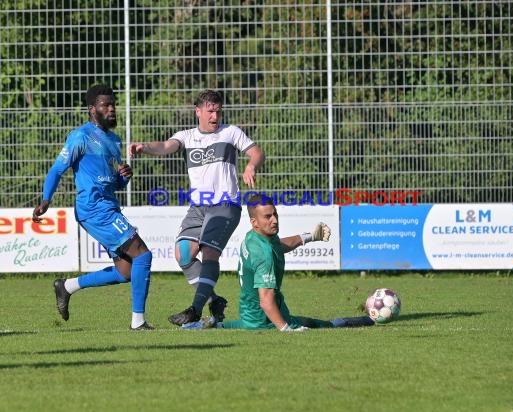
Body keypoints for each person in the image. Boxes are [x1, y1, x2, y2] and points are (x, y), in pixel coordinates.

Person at [129, 89, 265, 326]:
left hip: (225, 205)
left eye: (218, 111)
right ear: (198, 112)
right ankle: (214, 300)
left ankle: (195, 308)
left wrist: (251, 166)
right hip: (198, 207)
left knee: (209, 252)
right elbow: (165, 146)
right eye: (210, 111)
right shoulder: (187, 136)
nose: (215, 116)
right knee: (183, 254)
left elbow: (256, 152)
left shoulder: (230, 132)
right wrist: (145, 147)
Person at [32, 84, 154, 331]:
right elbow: (58, 169)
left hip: (109, 206)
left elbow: (115, 181)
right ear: (92, 110)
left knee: (126, 271)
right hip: (93, 208)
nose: (111, 109)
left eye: (113, 104)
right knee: (143, 254)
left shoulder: (114, 139)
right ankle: (138, 323)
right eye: (105, 105)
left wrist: (124, 176)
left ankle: (67, 287)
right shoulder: (81, 137)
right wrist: (46, 199)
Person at [182, 194, 375, 331]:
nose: (274, 220)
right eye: (267, 217)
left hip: (251, 314)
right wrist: (285, 329)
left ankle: (212, 324)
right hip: (264, 320)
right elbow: (266, 301)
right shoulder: (263, 254)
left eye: (275, 214)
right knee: (318, 324)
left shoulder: (256, 237)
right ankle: (347, 322)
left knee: (308, 322)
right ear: (254, 222)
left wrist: (309, 236)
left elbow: (280, 245)